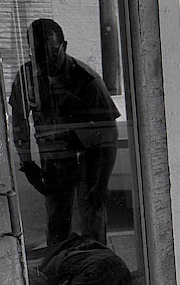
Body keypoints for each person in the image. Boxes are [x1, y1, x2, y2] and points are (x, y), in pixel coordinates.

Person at [9, 18, 120, 246]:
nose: (45, 63)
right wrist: (27, 164)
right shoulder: (27, 77)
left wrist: (101, 183)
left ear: (64, 46)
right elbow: (19, 122)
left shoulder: (88, 81)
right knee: (57, 225)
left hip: (89, 161)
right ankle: (60, 265)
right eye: (38, 56)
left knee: (93, 225)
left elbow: (109, 134)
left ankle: (94, 264)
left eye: (52, 55)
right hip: (55, 161)